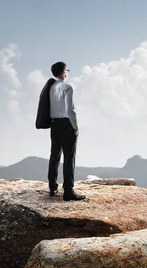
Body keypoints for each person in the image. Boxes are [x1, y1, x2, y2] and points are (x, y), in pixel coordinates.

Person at [47, 61, 86, 201]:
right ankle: (68, 191)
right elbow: (70, 110)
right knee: (69, 158)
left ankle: (52, 187)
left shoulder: (51, 87)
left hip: (54, 125)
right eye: (67, 70)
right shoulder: (67, 87)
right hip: (66, 124)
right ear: (64, 71)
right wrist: (75, 126)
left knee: (54, 156)